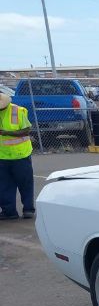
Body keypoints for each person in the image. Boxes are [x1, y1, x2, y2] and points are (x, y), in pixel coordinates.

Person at [0, 92, 35, 221]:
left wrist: (6, 133)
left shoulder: (18, 110)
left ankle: (28, 210)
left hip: (20, 155)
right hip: (2, 156)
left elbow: (26, 130)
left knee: (25, 184)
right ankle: (9, 212)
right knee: (4, 186)